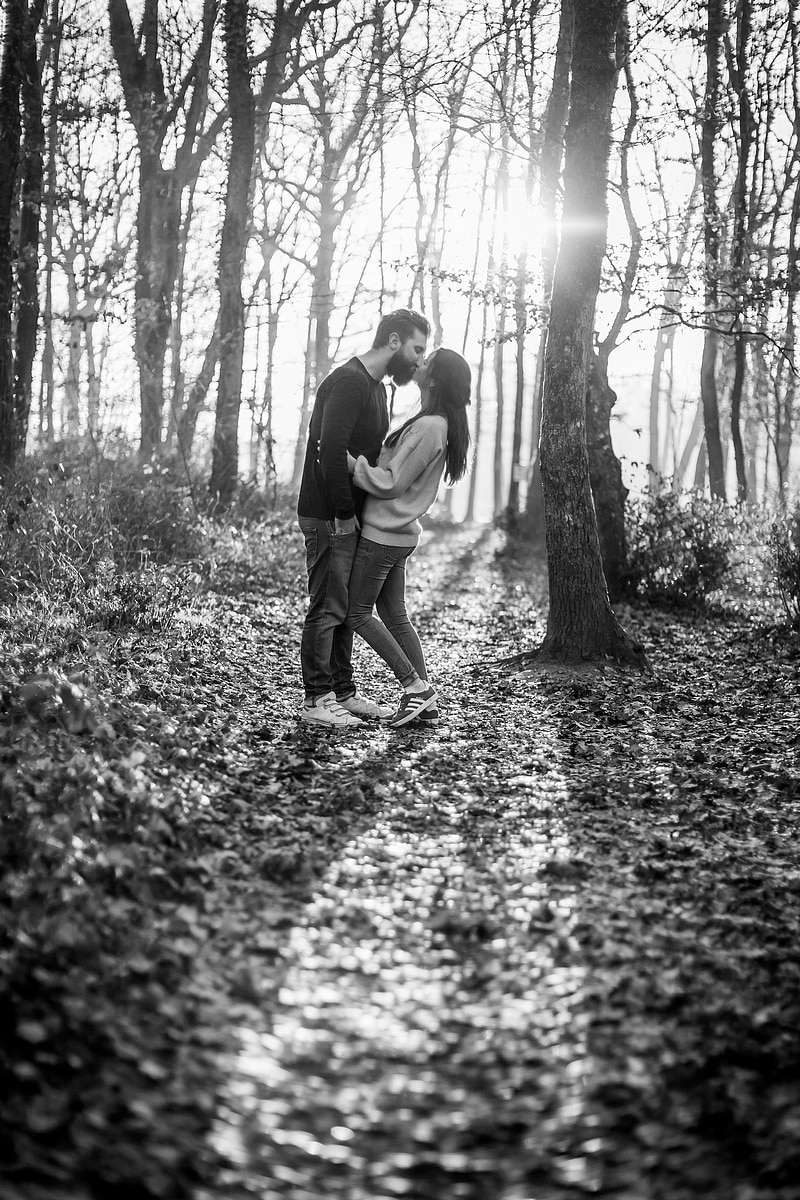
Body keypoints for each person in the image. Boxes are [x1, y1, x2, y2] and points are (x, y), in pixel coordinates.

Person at [297, 308, 431, 727]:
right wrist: (341, 513)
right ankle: (317, 699)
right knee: (328, 606)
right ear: (393, 341)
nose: (419, 361)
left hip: (350, 515)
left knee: (344, 604)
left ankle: (343, 693)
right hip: (327, 514)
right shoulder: (349, 382)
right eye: (416, 349)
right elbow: (329, 452)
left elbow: (368, 459)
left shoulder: (377, 389)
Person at [345, 348, 471, 727]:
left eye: (427, 360)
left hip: (384, 534)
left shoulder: (430, 426)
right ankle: (425, 705)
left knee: (355, 613)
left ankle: (415, 687)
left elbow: (391, 481)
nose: (420, 362)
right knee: (395, 616)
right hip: (397, 534)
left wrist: (350, 464)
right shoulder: (433, 422)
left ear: (434, 379)